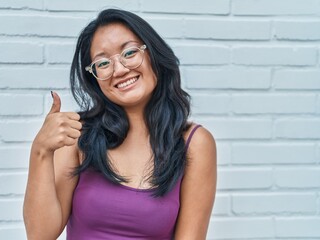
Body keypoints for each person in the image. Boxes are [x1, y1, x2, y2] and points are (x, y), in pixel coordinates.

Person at [23, 8, 217, 240]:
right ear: (95, 78)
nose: (120, 70)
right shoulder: (77, 134)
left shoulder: (194, 143)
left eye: (129, 52)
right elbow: (40, 235)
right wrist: (40, 151)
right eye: (103, 63)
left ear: (153, 54)